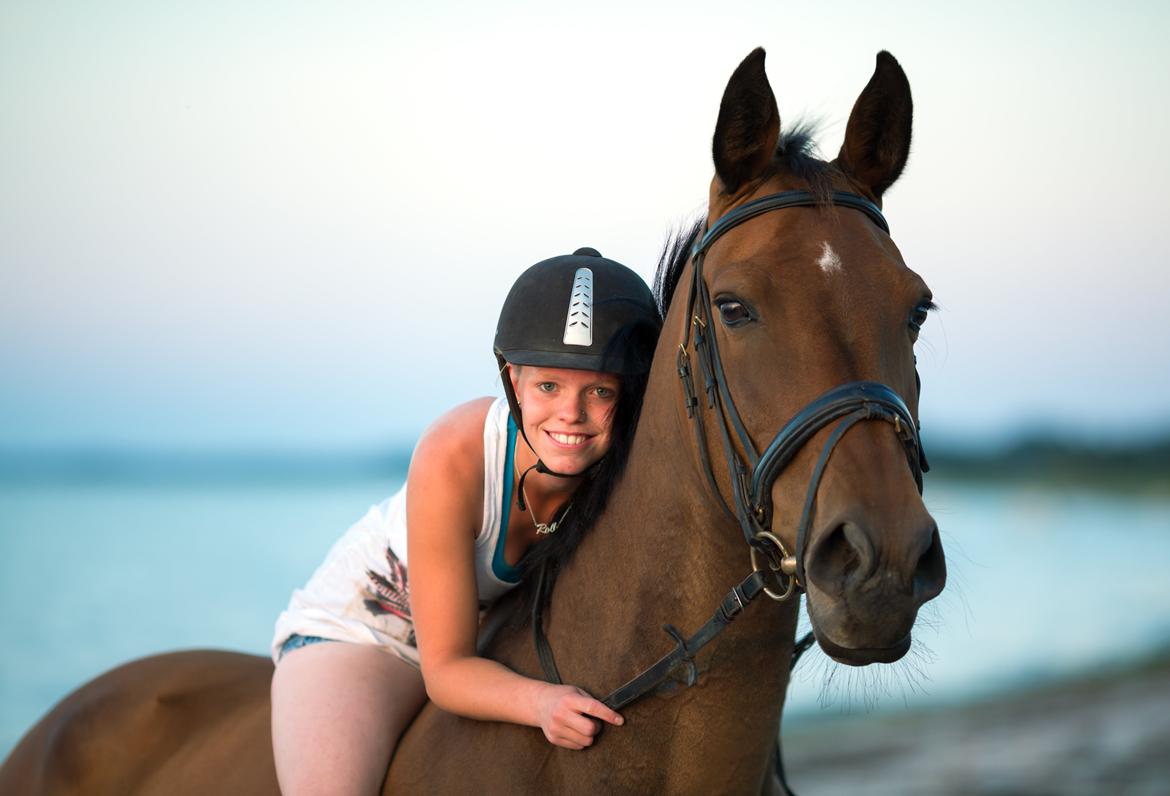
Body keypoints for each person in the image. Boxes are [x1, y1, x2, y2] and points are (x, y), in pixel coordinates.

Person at [270, 247, 661, 795]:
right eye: (549, 386)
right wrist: (542, 702)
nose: (571, 413)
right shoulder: (456, 451)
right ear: (513, 380)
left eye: (600, 391)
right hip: (369, 632)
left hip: (491, 636)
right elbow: (447, 671)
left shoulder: (621, 464)